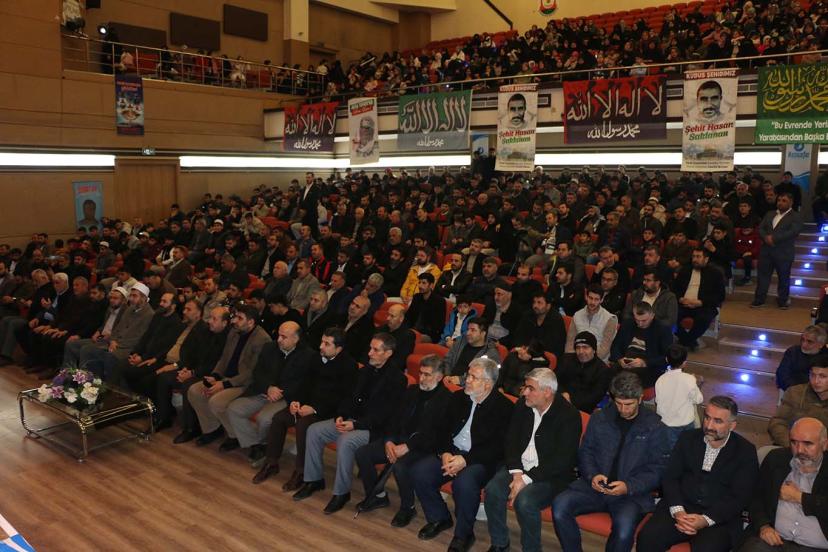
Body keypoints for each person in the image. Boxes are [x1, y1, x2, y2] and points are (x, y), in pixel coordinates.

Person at [552, 372, 670, 552]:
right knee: (560, 506)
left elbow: (658, 469)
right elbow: (586, 451)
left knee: (624, 532)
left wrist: (628, 486)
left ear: (640, 399)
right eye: (618, 403)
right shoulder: (600, 418)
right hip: (595, 487)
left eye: (628, 404)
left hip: (630, 495)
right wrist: (592, 475)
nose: (623, 409)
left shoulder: (655, 427)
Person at [294, 333, 407, 514]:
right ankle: (314, 480)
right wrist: (341, 415)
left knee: (346, 441)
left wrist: (356, 425)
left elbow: (385, 416)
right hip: (352, 421)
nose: (369, 353)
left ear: (388, 353)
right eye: (370, 348)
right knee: (314, 430)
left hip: (373, 429)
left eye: (375, 350)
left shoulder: (397, 379)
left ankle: (341, 493)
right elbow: (349, 398)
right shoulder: (364, 371)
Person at [410, 357, 514, 551]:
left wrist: (465, 460)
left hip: (480, 459)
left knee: (464, 483)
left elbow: (497, 447)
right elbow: (441, 430)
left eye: (473, 377)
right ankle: (440, 517)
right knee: (420, 472)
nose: (467, 380)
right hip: (453, 451)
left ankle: (464, 534)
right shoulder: (458, 397)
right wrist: (445, 452)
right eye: (468, 375)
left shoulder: (504, 408)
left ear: (487, 384)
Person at [637, 396, 759, 552]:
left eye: (718, 421)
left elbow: (740, 497)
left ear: (732, 425)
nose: (709, 425)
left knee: (708, 548)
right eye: (707, 417)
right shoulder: (687, 438)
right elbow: (670, 477)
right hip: (680, 507)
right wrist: (678, 511)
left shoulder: (745, 452)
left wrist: (705, 520)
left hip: (719, 518)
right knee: (648, 537)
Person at [484, 367, 582, 552]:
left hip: (550, 475)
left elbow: (562, 460)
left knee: (525, 501)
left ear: (547, 392)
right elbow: (511, 440)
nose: (524, 392)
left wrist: (526, 480)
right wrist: (517, 474)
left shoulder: (569, 416)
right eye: (525, 387)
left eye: (531, 388)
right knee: (493, 491)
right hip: (519, 468)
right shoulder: (523, 405)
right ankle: (499, 542)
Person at [252, 327, 358, 488]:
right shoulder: (316, 358)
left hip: (327, 411)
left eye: (327, 344)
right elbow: (304, 384)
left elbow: (342, 397)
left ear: (339, 349)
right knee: (279, 418)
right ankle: (271, 462)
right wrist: (296, 402)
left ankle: (301, 471)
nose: (321, 346)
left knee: (303, 425)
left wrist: (314, 409)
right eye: (322, 342)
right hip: (306, 405)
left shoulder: (349, 366)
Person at [353, 355, 452, 524]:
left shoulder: (446, 399)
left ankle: (408, 507)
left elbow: (433, 433)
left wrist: (407, 446)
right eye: (420, 373)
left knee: (400, 466)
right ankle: (377, 496)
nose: (421, 378)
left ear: (439, 376)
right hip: (398, 440)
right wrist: (389, 441)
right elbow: (394, 419)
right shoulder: (412, 391)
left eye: (427, 375)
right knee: (363, 453)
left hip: (422, 447)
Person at [225, 321, 315, 464]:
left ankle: (264, 444)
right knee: (234, 409)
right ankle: (256, 444)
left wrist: (279, 392)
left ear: (296, 339)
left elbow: (302, 383)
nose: (278, 340)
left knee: (265, 419)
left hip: (285, 397)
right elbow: (257, 372)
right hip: (263, 391)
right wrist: (268, 387)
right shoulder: (269, 347)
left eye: (284, 337)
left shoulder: (308, 356)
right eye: (278, 335)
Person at [186, 304, 271, 447]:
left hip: (244, 383)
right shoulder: (234, 332)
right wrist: (215, 375)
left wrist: (225, 384)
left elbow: (252, 372)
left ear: (251, 322)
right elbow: (224, 358)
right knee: (194, 391)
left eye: (240, 318)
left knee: (216, 402)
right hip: (226, 378)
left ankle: (234, 436)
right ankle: (212, 429)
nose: (234, 321)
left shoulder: (262, 339)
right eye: (235, 317)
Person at [739, 417, 828, 551]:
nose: (799, 450)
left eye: (808, 444)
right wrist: (764, 526)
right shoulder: (776, 459)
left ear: (824, 444)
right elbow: (756, 498)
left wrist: (799, 497)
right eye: (794, 442)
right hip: (773, 542)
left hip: (816, 547)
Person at [752, 192, 803, 309]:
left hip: (784, 252)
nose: (780, 203)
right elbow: (761, 228)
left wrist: (773, 238)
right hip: (766, 251)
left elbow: (793, 232)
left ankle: (783, 300)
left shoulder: (796, 216)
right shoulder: (770, 214)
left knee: (783, 277)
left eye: (784, 201)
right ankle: (759, 299)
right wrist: (766, 237)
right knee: (763, 277)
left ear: (791, 202)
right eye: (779, 200)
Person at [610, 301, 674, 388]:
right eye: (637, 320)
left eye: (644, 320)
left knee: (627, 381)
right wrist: (619, 359)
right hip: (625, 363)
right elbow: (615, 346)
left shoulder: (663, 329)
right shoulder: (627, 324)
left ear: (652, 316)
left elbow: (667, 357)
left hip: (649, 367)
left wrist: (645, 363)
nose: (640, 324)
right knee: (607, 374)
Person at [673, 248, 726, 350]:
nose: (695, 260)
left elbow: (720, 296)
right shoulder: (684, 270)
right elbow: (674, 289)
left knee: (704, 318)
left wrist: (700, 302)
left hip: (703, 306)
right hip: (683, 304)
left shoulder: (715, 273)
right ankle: (688, 340)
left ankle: (685, 341)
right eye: (693, 257)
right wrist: (680, 299)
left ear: (706, 259)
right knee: (669, 316)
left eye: (698, 257)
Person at [769, 357, 828, 447]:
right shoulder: (795, 392)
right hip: (791, 447)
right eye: (812, 375)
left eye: (822, 376)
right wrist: (793, 445)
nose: (816, 381)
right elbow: (777, 422)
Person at [655, 344, 704, 448]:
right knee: (688, 447)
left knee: (672, 449)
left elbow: (657, 401)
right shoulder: (689, 379)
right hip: (686, 422)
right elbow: (699, 399)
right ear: (684, 363)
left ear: (666, 359)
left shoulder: (660, 380)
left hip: (667, 423)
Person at [556, 331, 613, 413]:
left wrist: (570, 402)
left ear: (594, 350)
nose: (581, 351)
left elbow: (594, 397)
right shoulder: (566, 360)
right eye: (578, 348)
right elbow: (554, 380)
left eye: (585, 347)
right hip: (559, 400)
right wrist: (563, 393)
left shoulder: (603, 370)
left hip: (581, 409)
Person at [564, 284, 619, 362]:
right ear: (586, 297)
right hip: (577, 358)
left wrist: (587, 360)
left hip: (598, 361)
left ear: (602, 300)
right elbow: (570, 343)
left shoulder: (610, 319)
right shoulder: (577, 315)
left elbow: (604, 350)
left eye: (596, 299)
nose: (592, 302)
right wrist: (572, 360)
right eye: (590, 298)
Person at [443, 317, 501, 385]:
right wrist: (447, 375)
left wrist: (461, 380)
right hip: (448, 380)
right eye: (468, 329)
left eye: (473, 330)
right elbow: (448, 360)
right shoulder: (460, 341)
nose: (468, 333)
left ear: (483, 333)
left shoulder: (491, 353)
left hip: (469, 387)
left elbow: (484, 378)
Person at [511, 292, 566, 358]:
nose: (535, 306)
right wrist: (522, 349)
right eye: (534, 302)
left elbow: (551, 345)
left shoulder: (556, 320)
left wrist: (530, 351)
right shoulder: (528, 316)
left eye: (539, 303)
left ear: (548, 306)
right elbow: (519, 336)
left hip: (546, 356)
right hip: (525, 352)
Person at [776, 325, 828, 392]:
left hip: (818, 393)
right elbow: (782, 375)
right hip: (792, 390)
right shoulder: (793, 352)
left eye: (810, 342)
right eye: (803, 340)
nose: (804, 344)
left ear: (821, 344)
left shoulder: (826, 357)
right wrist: (798, 392)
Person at [404, 273, 446, 344]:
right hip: (412, 330)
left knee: (408, 337)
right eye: (419, 282)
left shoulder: (439, 301)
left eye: (424, 283)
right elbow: (408, 316)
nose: (420, 286)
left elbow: (438, 325)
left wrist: (416, 332)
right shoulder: (417, 297)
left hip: (429, 334)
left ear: (431, 285)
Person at [379, 303, 416, 370]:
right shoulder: (381, 329)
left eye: (392, 316)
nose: (388, 318)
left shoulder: (408, 336)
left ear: (401, 318)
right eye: (388, 314)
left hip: (389, 370)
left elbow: (400, 361)